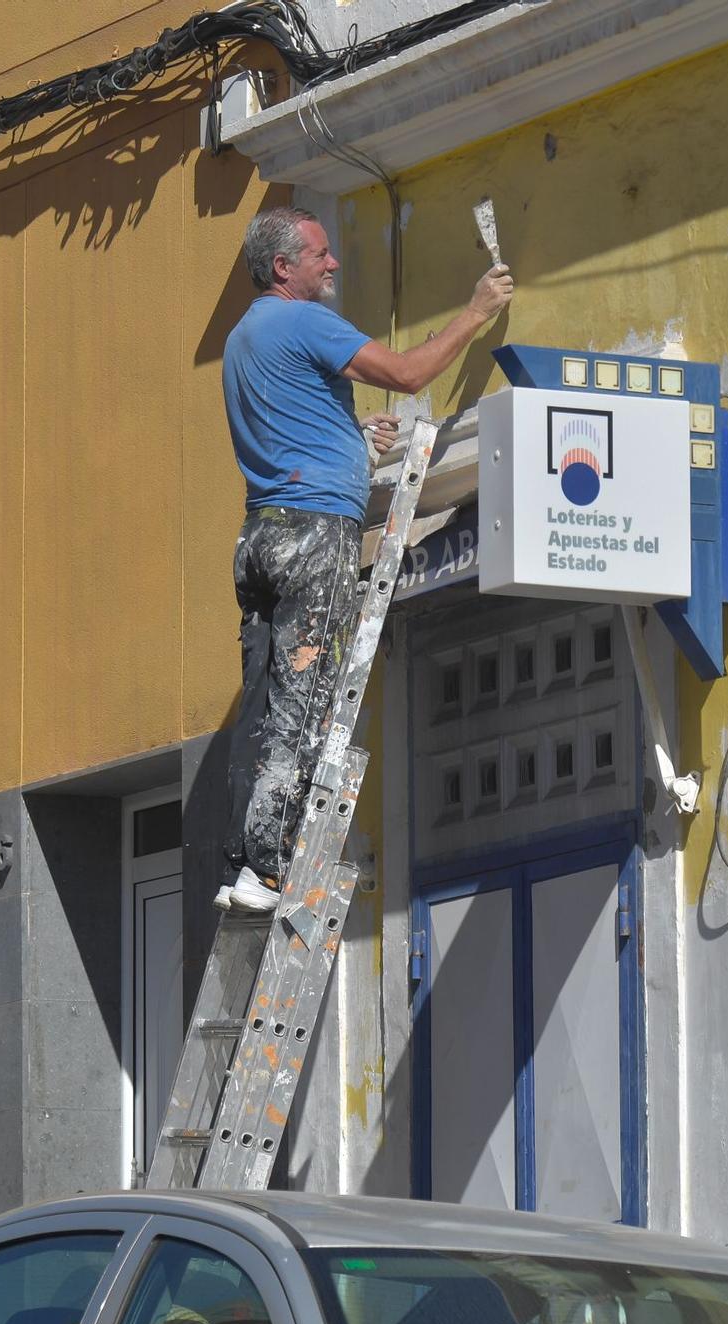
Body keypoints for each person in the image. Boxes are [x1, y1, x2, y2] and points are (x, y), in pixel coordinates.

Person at [216, 205, 514, 911]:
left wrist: (352, 441)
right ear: (283, 266)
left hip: (262, 533)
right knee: (306, 702)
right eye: (319, 254)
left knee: (261, 706)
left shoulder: (242, 339)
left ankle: (241, 863)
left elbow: (291, 427)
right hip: (314, 534)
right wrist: (475, 311)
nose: (333, 264)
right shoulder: (304, 321)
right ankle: (271, 869)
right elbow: (408, 374)